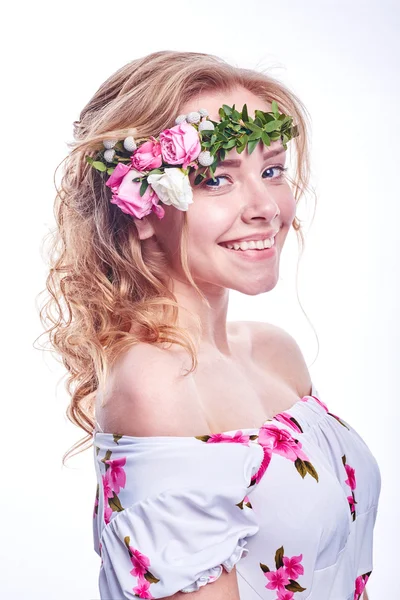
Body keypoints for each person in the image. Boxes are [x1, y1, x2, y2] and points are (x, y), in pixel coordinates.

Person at [41, 50, 381, 599]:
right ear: (140, 208)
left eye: (271, 170)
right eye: (217, 180)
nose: (266, 206)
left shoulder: (275, 353)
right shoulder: (155, 385)